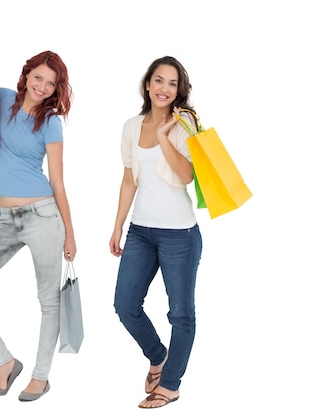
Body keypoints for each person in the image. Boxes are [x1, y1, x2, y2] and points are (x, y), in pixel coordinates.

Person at [0, 37, 77, 402]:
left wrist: (70, 233)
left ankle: (41, 377)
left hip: (42, 215)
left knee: (48, 301)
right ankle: (5, 362)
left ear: (56, 89)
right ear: (27, 75)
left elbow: (58, 181)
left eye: (51, 83)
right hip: (4, 218)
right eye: (39, 77)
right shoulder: (3, 98)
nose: (43, 87)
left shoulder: (51, 124)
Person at [109, 56, 203, 409]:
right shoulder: (131, 126)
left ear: (179, 90)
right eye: (159, 80)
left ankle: (171, 384)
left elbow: (186, 176)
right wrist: (117, 225)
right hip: (141, 232)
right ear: (147, 84)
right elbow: (129, 179)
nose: (165, 88)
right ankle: (157, 356)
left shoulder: (186, 123)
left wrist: (165, 135)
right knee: (125, 304)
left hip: (180, 234)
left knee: (181, 314)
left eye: (172, 83)